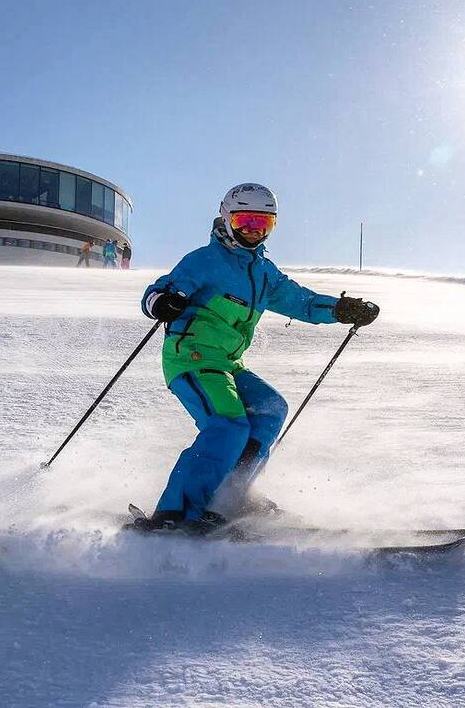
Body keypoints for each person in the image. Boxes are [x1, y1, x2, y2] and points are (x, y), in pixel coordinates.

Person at [135, 182, 380, 532]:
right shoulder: (204, 261)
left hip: (228, 364)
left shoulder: (264, 273)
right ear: (226, 219)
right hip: (191, 358)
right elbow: (157, 293)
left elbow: (303, 303)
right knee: (227, 425)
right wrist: (162, 301)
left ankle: (230, 497)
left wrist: (342, 309)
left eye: (262, 224)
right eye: (245, 222)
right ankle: (176, 513)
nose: (253, 231)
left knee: (270, 409)